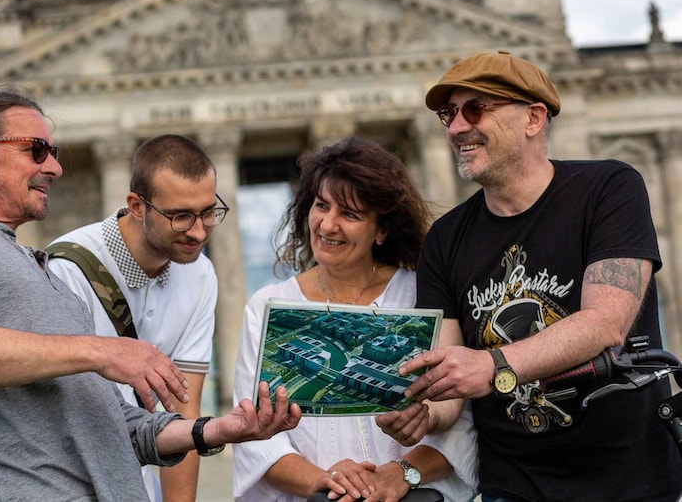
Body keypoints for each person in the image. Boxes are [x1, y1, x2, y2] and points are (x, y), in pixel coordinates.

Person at [0, 82, 301, 501]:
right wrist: (103, 351)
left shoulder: (46, 272)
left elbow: (122, 431)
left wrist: (219, 429)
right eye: (35, 150)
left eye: (54, 153)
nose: (54, 167)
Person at [388, 50, 682, 501]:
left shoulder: (609, 189)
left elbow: (606, 324)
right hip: (513, 486)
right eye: (448, 114)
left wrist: (491, 365)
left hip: (629, 480)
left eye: (475, 108)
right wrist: (424, 415)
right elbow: (449, 379)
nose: (455, 128)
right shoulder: (444, 240)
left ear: (533, 118)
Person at [232, 136, 478, 502]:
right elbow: (255, 440)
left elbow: (459, 421)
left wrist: (400, 475)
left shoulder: (421, 297)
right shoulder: (266, 305)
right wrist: (327, 480)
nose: (328, 225)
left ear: (381, 230)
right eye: (321, 206)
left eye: (349, 214)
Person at [47, 133, 224, 502]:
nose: (198, 231)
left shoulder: (201, 274)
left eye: (208, 212)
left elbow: (184, 409)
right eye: (180, 216)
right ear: (136, 206)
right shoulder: (66, 270)